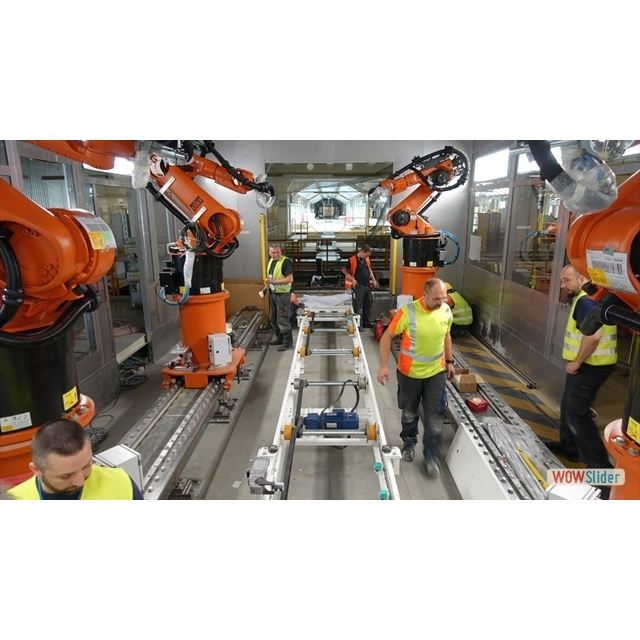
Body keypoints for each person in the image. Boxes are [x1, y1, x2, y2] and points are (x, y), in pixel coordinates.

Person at [377, 278, 455, 477]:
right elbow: (387, 336)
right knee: (409, 412)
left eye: (443, 297)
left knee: (435, 415)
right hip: (409, 374)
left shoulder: (446, 310)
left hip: (436, 373)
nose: (441, 301)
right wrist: (383, 366)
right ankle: (409, 443)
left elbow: (446, 335)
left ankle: (431, 456)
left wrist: (449, 361)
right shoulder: (408, 312)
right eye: (436, 298)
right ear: (425, 295)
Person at [546, 265, 617, 469]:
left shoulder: (586, 300)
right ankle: (569, 446)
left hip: (591, 366)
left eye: (567, 280)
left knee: (577, 414)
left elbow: (593, 336)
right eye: (562, 280)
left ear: (582, 278)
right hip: (590, 364)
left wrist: (577, 362)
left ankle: (600, 469)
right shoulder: (588, 297)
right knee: (568, 407)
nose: (563, 285)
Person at [8, 418, 143, 500]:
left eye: (86, 466)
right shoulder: (13, 499)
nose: (80, 482)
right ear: (36, 469)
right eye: (66, 476)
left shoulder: (121, 482)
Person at [342, 244, 378, 329]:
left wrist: (373, 279)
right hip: (359, 286)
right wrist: (352, 279)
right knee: (358, 306)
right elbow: (344, 270)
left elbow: (370, 269)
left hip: (367, 286)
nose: (367, 256)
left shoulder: (366, 259)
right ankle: (357, 324)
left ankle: (366, 322)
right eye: (367, 254)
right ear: (362, 252)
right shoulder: (352, 260)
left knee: (368, 304)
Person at [266, 243, 294, 351]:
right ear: (269, 253)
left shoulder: (285, 262)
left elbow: (290, 279)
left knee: (283, 319)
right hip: (273, 293)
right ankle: (280, 338)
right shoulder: (271, 261)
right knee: (273, 319)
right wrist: (266, 287)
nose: (276, 254)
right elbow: (270, 277)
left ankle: (288, 343)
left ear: (280, 251)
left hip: (282, 295)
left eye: (277, 252)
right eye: (273, 253)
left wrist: (274, 282)